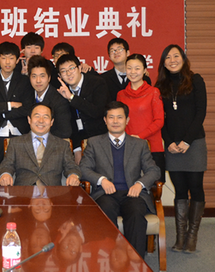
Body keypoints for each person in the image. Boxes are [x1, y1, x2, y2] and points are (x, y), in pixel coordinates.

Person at [79, 101, 160, 257]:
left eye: (119, 117)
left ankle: (135, 261)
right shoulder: (94, 143)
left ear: (127, 120)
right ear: (105, 120)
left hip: (132, 193)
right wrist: (102, 180)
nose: (115, 121)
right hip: (105, 194)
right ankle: (108, 258)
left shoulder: (140, 144)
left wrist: (140, 184)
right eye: (111, 117)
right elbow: (83, 168)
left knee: (136, 213)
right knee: (105, 210)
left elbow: (154, 170)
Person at [155, 44, 207, 253]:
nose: (172, 60)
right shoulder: (161, 86)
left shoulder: (196, 80)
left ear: (183, 59)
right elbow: (160, 119)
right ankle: (180, 237)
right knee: (180, 189)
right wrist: (169, 142)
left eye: (176, 56)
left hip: (194, 143)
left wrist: (186, 141)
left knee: (195, 186)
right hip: (172, 146)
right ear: (163, 62)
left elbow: (200, 112)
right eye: (167, 57)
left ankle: (192, 236)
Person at [0, 41, 34, 174]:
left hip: (19, 133)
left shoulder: (25, 81)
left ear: (17, 60)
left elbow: (27, 108)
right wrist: (10, 105)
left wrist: (0, 110)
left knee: (22, 173)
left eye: (11, 58)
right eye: (4, 58)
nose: (7, 62)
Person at [0, 103, 80, 187]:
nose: (41, 121)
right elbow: (6, 165)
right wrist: (5, 174)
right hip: (24, 191)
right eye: (37, 116)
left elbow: (72, 167)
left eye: (45, 117)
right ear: (29, 120)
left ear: (51, 122)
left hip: (52, 191)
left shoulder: (62, 145)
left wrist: (73, 175)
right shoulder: (16, 143)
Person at [116, 54, 165, 182]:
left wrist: (140, 136)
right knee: (129, 185)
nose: (133, 72)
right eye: (129, 68)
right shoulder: (121, 95)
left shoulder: (153, 92)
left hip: (151, 146)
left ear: (144, 70)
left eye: (137, 68)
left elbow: (159, 120)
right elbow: (119, 121)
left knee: (154, 186)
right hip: (128, 148)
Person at [55, 54, 109, 163]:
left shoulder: (97, 83)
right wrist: (77, 149)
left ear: (79, 68)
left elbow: (97, 112)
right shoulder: (62, 91)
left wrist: (71, 98)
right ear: (60, 76)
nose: (68, 73)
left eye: (71, 68)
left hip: (102, 139)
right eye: (64, 71)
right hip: (79, 142)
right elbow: (70, 122)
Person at [27, 55, 72, 140]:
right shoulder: (27, 96)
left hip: (53, 144)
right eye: (34, 76)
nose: (38, 80)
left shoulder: (59, 100)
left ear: (49, 78)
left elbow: (65, 131)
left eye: (42, 76)